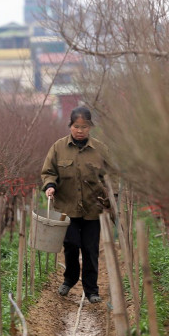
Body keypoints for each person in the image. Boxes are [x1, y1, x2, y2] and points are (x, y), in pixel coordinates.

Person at [41, 106, 112, 304]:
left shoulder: (100, 149)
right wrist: (50, 185)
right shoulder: (58, 147)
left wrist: (110, 197)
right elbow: (48, 171)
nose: (80, 130)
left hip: (92, 209)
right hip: (67, 208)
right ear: (70, 126)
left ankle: (91, 290)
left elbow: (111, 175)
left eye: (84, 126)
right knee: (71, 245)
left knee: (90, 249)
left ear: (90, 127)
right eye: (76, 126)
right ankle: (70, 279)